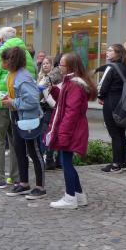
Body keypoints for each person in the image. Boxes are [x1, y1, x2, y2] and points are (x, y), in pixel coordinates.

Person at [47, 53, 97, 209]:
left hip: (72, 129)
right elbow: (64, 101)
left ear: (69, 67)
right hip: (73, 128)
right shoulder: (71, 82)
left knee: (66, 163)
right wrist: (54, 90)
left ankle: (70, 197)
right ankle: (79, 196)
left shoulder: (74, 84)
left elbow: (71, 111)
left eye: (61, 64)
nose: (59, 67)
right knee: (66, 162)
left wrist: (63, 133)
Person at [0, 27, 28, 188]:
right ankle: (16, 176)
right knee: (16, 141)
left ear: (1, 39)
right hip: (19, 103)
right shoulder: (26, 54)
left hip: (0, 101)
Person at [0, 47, 46, 200]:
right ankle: (24, 183)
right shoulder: (11, 75)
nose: (1, 62)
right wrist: (8, 99)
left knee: (34, 151)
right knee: (19, 150)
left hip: (28, 118)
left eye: (3, 60)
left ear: (10, 61)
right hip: (18, 116)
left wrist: (12, 102)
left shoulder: (23, 77)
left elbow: (32, 101)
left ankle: (40, 187)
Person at [97, 43, 126, 173]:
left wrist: (100, 96)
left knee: (115, 134)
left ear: (118, 53)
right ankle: (122, 163)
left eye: (111, 50)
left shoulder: (111, 67)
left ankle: (116, 164)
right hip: (123, 103)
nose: (107, 52)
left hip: (111, 102)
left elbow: (104, 86)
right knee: (121, 133)